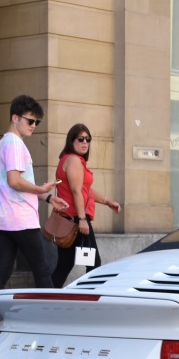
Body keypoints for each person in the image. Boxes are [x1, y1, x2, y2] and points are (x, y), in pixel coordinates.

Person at [0, 95, 68, 340]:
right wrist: (42, 190)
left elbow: (16, 183)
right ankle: (53, 324)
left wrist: (48, 198)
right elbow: (15, 181)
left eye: (36, 122)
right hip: (20, 220)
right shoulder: (14, 144)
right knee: (42, 270)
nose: (33, 126)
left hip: (3, 219)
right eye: (30, 121)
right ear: (15, 118)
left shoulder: (4, 143)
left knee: (2, 272)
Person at [50, 123, 120, 287]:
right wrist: (82, 219)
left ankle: (45, 298)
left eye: (88, 139)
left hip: (70, 219)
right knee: (93, 264)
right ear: (71, 140)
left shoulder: (68, 159)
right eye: (80, 139)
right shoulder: (73, 160)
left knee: (65, 264)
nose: (85, 143)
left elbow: (84, 190)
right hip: (76, 220)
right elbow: (76, 191)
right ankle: (89, 299)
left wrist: (107, 201)